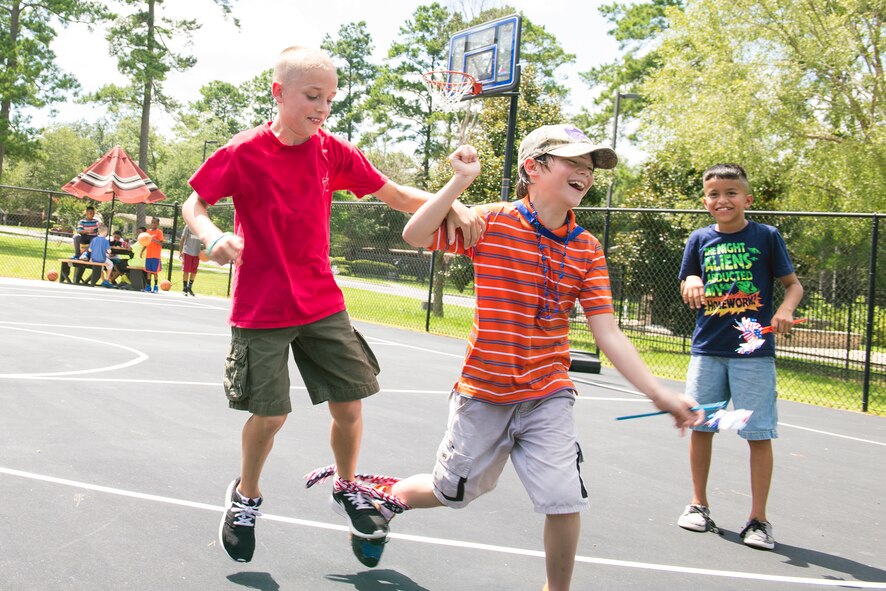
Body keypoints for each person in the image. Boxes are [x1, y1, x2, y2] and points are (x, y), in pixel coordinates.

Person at [181, 45, 484, 564]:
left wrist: (450, 197)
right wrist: (211, 237)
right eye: (312, 96)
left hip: (321, 302)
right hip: (263, 306)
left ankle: (347, 487)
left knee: (349, 404)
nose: (322, 107)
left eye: (330, 98)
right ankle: (245, 496)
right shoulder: (244, 151)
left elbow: (394, 195)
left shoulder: (331, 151)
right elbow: (195, 203)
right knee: (270, 416)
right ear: (279, 93)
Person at [384, 124, 702, 591]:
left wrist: (659, 393)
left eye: (589, 167)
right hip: (484, 392)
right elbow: (416, 233)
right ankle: (384, 499)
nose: (584, 173)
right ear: (533, 167)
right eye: (573, 162)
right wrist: (459, 184)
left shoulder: (587, 249)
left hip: (547, 392)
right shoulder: (489, 222)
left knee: (564, 498)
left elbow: (607, 333)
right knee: (453, 491)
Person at [676, 163, 803, 550]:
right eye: (714, 194)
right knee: (702, 427)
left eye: (731, 192)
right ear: (705, 201)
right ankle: (698, 505)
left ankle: (758, 520)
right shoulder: (698, 240)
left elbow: (792, 286)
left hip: (753, 354)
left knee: (757, 433)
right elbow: (686, 282)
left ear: (747, 199)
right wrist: (692, 280)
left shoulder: (766, 236)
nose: (722, 199)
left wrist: (784, 311)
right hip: (708, 351)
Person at [178, 225, 202, 296]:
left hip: (197, 253)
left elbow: (205, 239)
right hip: (187, 251)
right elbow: (182, 239)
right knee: (186, 270)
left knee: (194, 271)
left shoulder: (202, 227)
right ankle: (184, 288)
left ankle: (189, 287)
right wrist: (180, 251)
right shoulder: (188, 226)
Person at [144, 217, 164, 293]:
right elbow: (145, 242)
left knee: (155, 272)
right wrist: (142, 251)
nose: (153, 224)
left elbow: (161, 243)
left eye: (154, 223)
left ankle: (155, 286)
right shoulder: (148, 231)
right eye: (152, 222)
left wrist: (153, 239)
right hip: (148, 255)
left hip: (155, 255)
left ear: (158, 224)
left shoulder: (159, 232)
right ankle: (148, 286)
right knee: (148, 271)